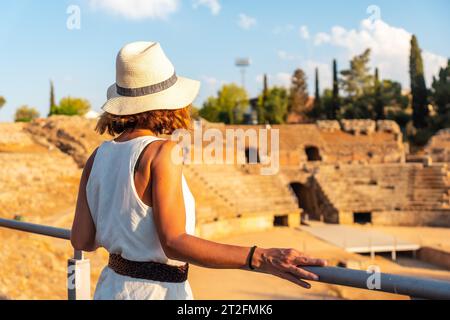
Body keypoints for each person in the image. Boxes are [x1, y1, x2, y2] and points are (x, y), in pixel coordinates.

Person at [70, 41, 327, 300]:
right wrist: (259, 257)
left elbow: (82, 240)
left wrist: (123, 236)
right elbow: (174, 242)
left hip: (110, 289)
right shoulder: (162, 152)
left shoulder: (97, 156)